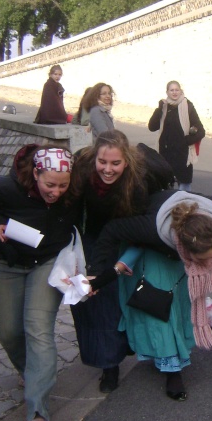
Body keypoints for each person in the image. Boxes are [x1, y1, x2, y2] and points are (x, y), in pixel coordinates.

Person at [88, 190, 212, 400]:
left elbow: (202, 249)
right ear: (185, 251)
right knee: (162, 311)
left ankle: (174, 353)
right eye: (202, 260)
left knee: (182, 305)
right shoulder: (150, 229)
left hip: (174, 250)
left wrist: (198, 261)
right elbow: (112, 231)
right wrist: (95, 272)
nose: (208, 264)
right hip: (152, 249)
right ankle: (173, 371)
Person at [0, 145, 79, 421]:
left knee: (38, 329)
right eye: (50, 184)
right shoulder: (5, 187)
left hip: (48, 263)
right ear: (35, 173)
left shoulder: (74, 192)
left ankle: (38, 409)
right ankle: (33, 372)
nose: (57, 191)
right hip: (6, 263)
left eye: (63, 185)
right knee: (8, 330)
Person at [68, 131, 150, 393]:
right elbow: (70, 206)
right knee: (88, 301)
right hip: (89, 239)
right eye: (103, 161)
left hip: (122, 242)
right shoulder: (82, 168)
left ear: (126, 161)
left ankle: (114, 359)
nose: (108, 169)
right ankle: (106, 359)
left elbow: (138, 229)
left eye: (115, 163)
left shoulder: (136, 184)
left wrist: (123, 262)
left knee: (113, 303)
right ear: (95, 157)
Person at [148, 80, 205, 191]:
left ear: (180, 91)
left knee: (184, 188)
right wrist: (159, 109)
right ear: (167, 92)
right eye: (171, 90)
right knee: (165, 187)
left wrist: (187, 141)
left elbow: (201, 131)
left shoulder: (187, 106)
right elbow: (152, 127)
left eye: (177, 90)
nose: (174, 92)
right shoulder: (164, 107)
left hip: (182, 155)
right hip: (165, 153)